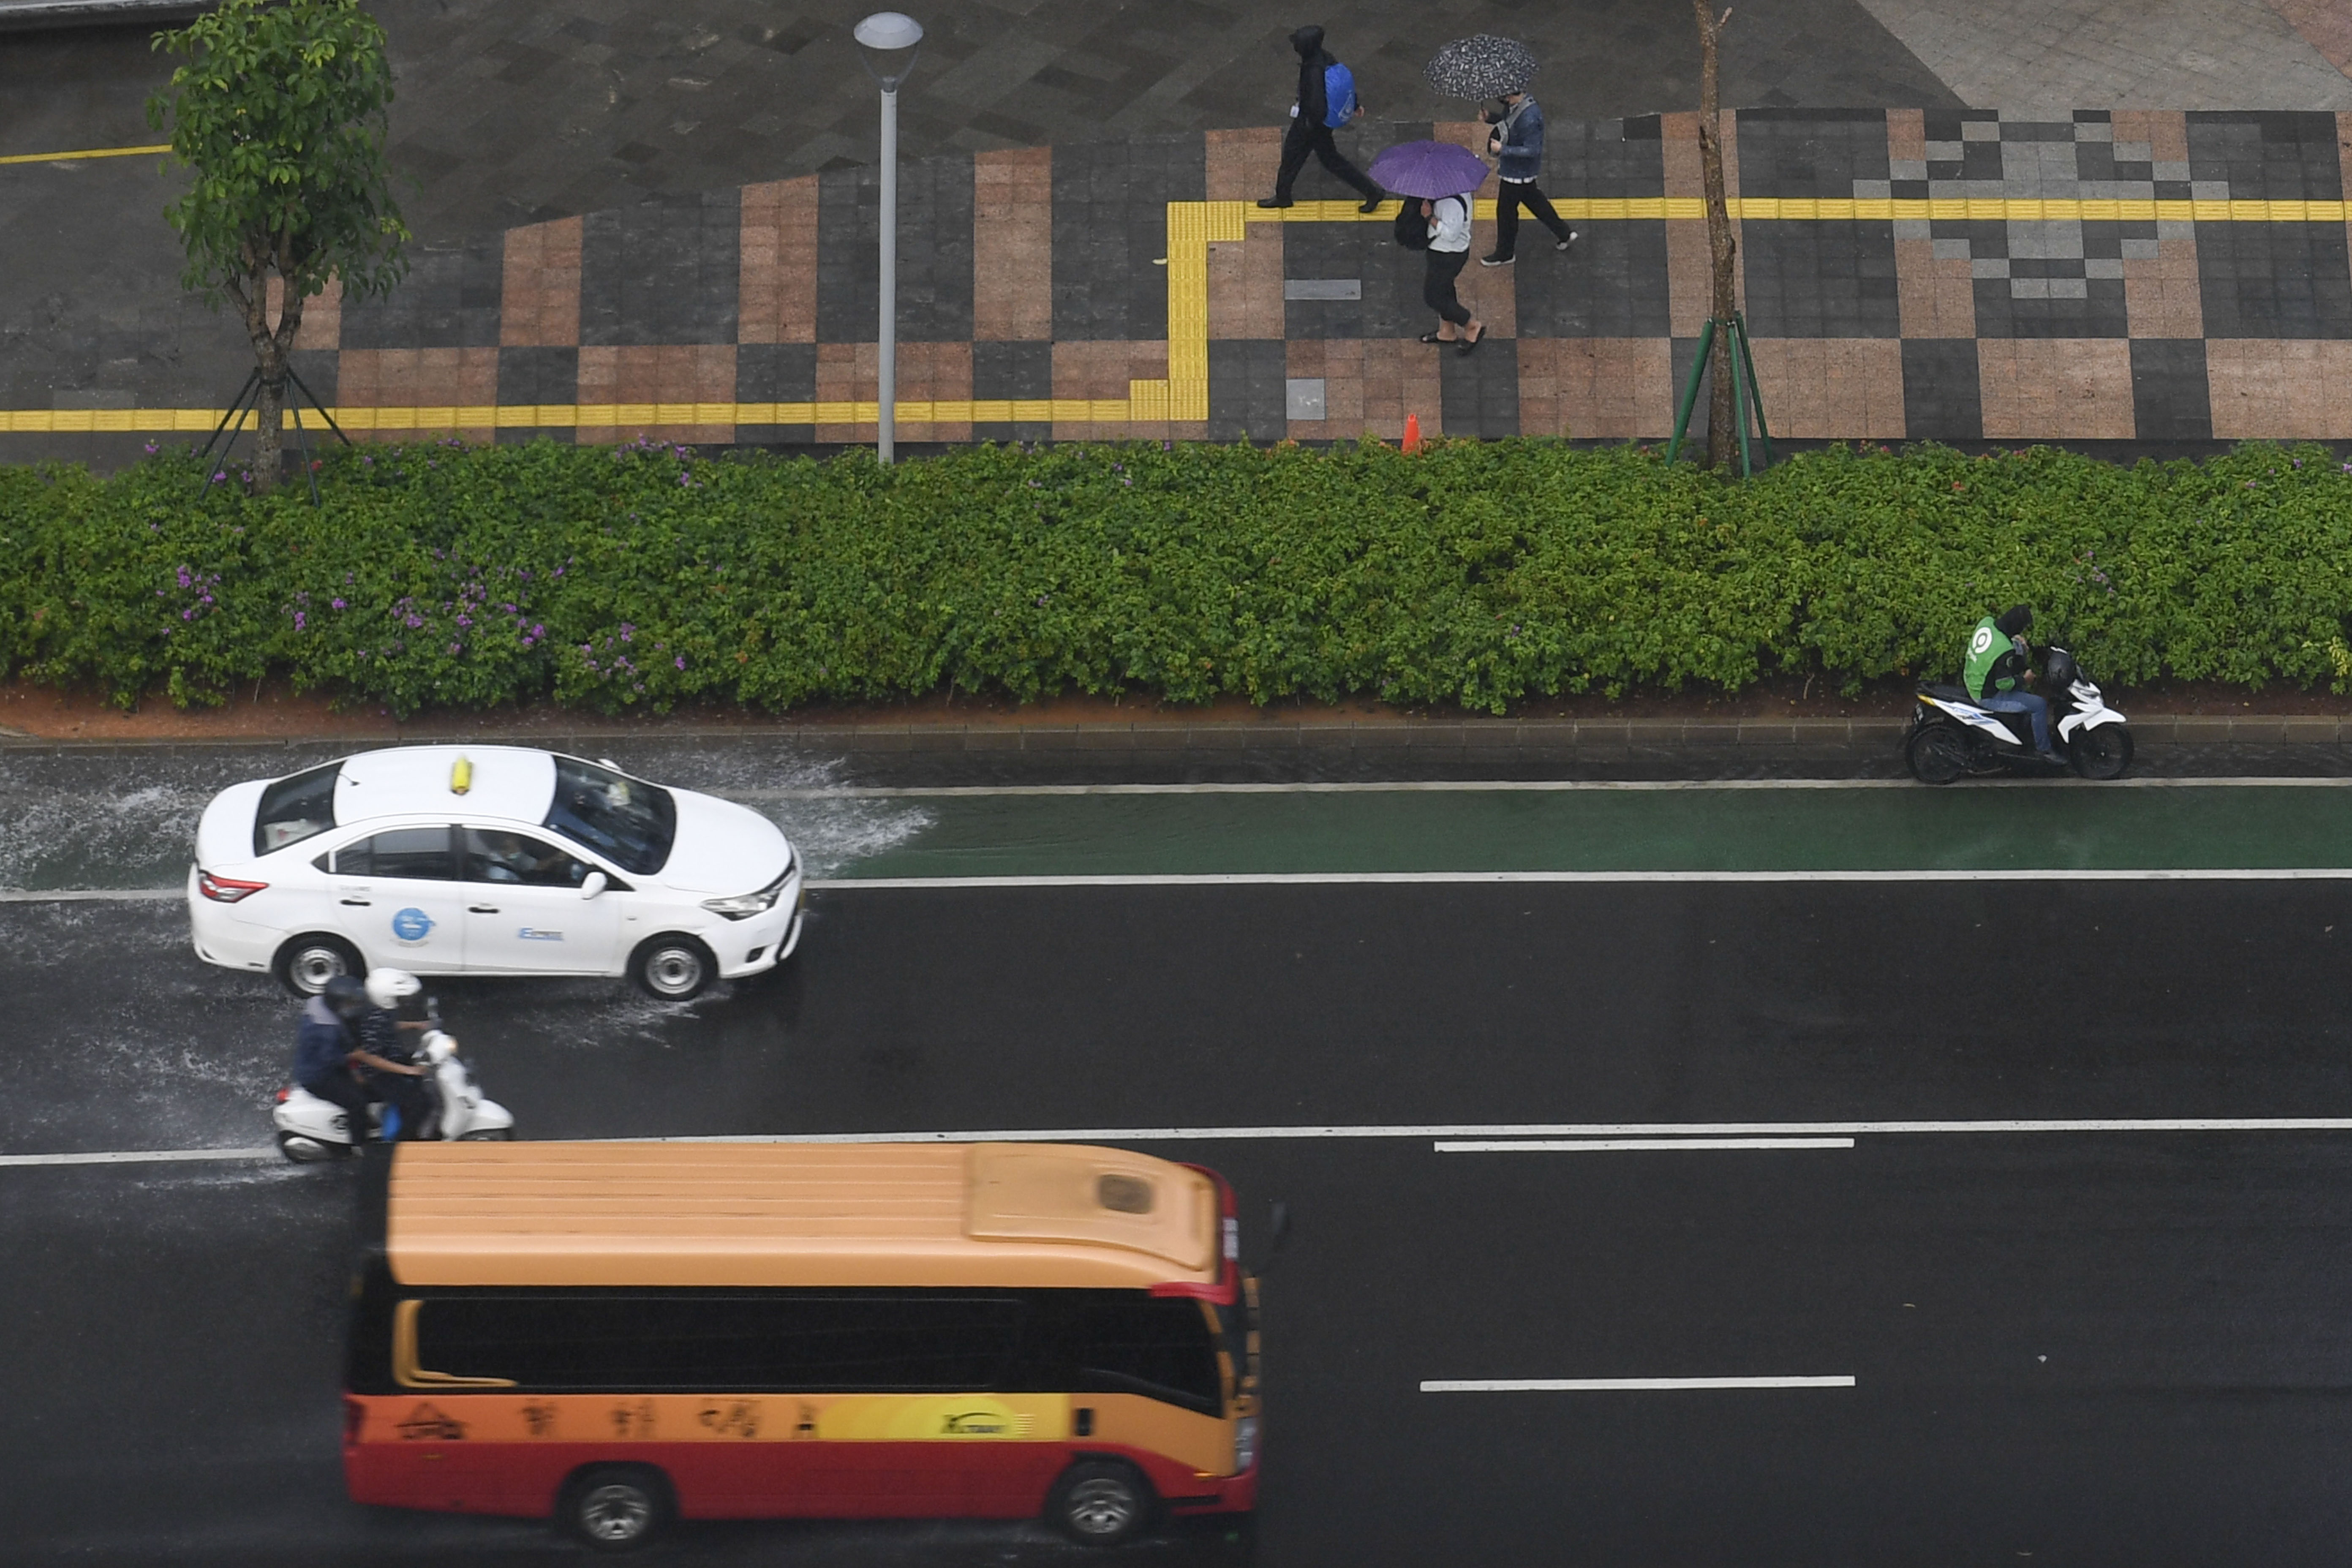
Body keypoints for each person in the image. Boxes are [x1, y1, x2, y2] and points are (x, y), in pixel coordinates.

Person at [1259, 25, 1385, 212]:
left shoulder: (1313, 69)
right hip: (1319, 124)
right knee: (1326, 159)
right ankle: (1371, 191)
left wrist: (1308, 125)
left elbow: (1316, 102)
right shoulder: (1326, 57)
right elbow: (1340, 85)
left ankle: (1283, 197)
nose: (1296, 47)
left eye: (1298, 44)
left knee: (1295, 156)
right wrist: (1355, 104)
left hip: (1310, 123)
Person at [1480, 88, 1577, 265]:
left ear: (1512, 95)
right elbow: (1509, 124)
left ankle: (1505, 253)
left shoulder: (1530, 118)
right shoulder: (1518, 106)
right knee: (1536, 202)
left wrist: (1503, 150)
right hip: (1520, 173)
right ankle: (1564, 233)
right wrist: (1491, 118)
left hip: (1517, 174)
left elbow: (1533, 150)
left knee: (1506, 213)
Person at [293, 976, 378, 1142]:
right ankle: (360, 1143)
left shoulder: (318, 1004)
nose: (354, 1007)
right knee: (357, 1103)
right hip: (320, 1076)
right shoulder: (327, 1031)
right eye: (350, 1003)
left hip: (323, 1061)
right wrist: (355, 1058)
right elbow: (330, 1059)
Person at [1965, 604, 2055, 757]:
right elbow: (2004, 684)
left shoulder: (1986, 622)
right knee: (2039, 705)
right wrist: (2025, 680)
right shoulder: (2005, 650)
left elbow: (1998, 645)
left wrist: (2015, 640)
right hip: (1986, 695)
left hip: (1972, 677)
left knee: (2018, 646)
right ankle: (2044, 750)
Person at [354, 968, 434, 1141]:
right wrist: (408, 1071)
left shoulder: (379, 1008)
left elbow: (388, 1025)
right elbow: (371, 1057)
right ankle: (403, 1142)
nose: (404, 1002)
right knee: (422, 1105)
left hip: (391, 1055)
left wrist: (415, 1025)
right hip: (377, 1073)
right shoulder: (372, 1019)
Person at [1419, 191, 1483, 352]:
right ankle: (1447, 331)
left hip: (1448, 254)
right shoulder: (1459, 191)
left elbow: (1451, 234)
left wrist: (1429, 217)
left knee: (1433, 297)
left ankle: (1471, 325)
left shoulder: (1450, 203)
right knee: (1445, 288)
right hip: (1444, 252)